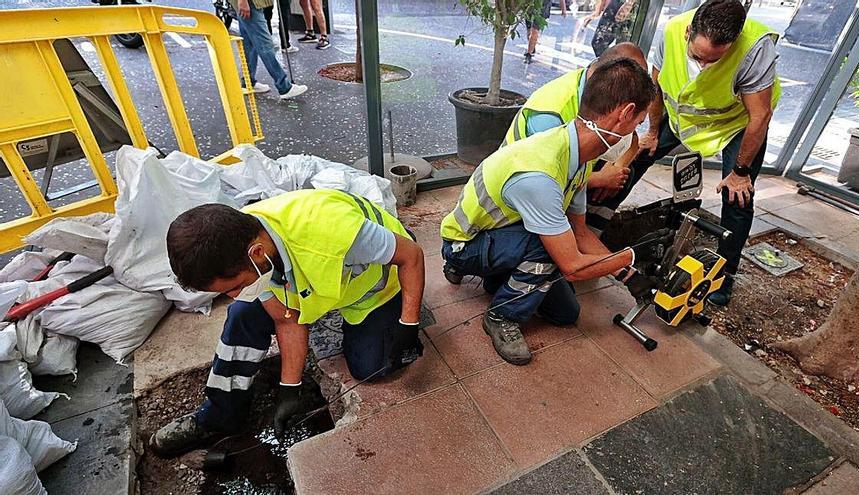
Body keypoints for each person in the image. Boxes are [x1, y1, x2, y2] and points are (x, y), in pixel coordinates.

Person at [149, 189, 426, 456]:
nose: (233, 296)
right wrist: (289, 390)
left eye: (234, 287)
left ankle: (386, 310)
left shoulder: (332, 233)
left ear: (257, 253)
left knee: (373, 367)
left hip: (378, 283)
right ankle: (219, 415)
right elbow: (286, 320)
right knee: (243, 314)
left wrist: (408, 323)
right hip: (326, 282)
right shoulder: (245, 240)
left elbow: (412, 255)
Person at [440, 58, 666, 365]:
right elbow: (572, 264)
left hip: (504, 231)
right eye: (638, 122)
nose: (637, 134)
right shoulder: (541, 174)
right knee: (552, 253)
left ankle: (499, 277)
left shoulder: (578, 153)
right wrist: (632, 255)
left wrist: (626, 273)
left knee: (565, 314)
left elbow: (581, 232)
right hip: (463, 243)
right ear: (625, 113)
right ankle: (501, 316)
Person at [593, 0, 780, 306]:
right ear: (689, 34)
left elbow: (759, 116)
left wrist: (741, 173)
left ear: (732, 43)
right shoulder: (672, 30)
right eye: (699, 57)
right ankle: (595, 224)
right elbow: (656, 86)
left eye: (714, 61)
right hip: (685, 118)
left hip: (734, 124)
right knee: (637, 157)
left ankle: (724, 274)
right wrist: (652, 133)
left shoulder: (755, 48)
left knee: (738, 198)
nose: (705, 66)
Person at [503, 42, 647, 208]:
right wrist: (600, 178)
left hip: (572, 175)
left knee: (624, 176)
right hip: (522, 194)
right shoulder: (551, 115)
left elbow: (633, 139)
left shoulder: (600, 89)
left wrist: (617, 167)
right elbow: (541, 180)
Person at [235, 0, 307, 98]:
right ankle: (284, 87)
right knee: (264, 44)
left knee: (250, 43)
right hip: (251, 2)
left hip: (250, 3)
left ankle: (248, 82)